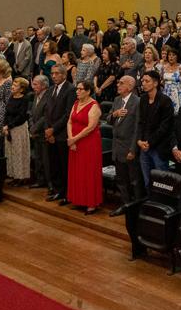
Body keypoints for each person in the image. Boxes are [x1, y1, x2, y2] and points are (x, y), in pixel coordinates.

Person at [67, 80, 103, 215]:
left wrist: (74, 139)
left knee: (88, 171)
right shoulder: (76, 103)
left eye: (81, 89)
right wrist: (71, 139)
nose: (77, 91)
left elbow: (91, 127)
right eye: (77, 89)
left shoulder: (94, 105)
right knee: (77, 171)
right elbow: (69, 121)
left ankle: (91, 203)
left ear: (88, 91)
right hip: (75, 142)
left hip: (89, 143)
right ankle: (78, 199)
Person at [108, 75, 141, 215]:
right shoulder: (116, 100)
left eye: (121, 83)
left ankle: (138, 207)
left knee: (134, 180)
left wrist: (133, 149)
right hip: (117, 146)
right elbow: (108, 119)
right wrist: (114, 114)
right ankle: (126, 204)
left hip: (129, 147)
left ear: (129, 86)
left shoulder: (137, 102)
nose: (118, 85)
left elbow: (137, 128)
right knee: (121, 179)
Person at [136, 70, 175, 187]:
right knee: (148, 181)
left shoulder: (165, 101)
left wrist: (150, 142)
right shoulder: (142, 99)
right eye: (142, 81)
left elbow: (165, 127)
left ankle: (162, 205)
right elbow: (140, 122)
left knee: (162, 183)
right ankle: (150, 202)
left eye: (147, 81)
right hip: (144, 146)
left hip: (159, 147)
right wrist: (139, 140)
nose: (143, 83)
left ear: (155, 83)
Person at [44, 65, 76, 204]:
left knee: (64, 166)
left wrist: (54, 129)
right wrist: (48, 130)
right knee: (54, 164)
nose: (54, 76)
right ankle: (57, 191)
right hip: (51, 134)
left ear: (64, 75)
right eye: (52, 73)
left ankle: (66, 194)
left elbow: (67, 114)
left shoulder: (70, 89)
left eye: (57, 73)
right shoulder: (51, 89)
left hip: (62, 134)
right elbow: (47, 112)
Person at [2, 77, 31, 186]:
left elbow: (21, 116)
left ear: (22, 89)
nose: (12, 86)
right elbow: (7, 112)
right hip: (8, 128)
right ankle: (14, 175)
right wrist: (5, 125)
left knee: (19, 153)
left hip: (18, 128)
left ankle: (21, 177)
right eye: (13, 84)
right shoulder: (11, 97)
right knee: (11, 153)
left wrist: (9, 126)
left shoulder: (25, 99)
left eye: (15, 85)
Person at [28, 74, 49, 190]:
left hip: (43, 132)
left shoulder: (48, 96)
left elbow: (45, 116)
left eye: (35, 84)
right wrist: (31, 126)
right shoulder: (36, 96)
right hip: (35, 132)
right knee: (38, 158)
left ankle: (49, 182)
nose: (33, 86)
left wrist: (35, 128)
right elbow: (31, 113)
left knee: (46, 159)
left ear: (43, 85)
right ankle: (40, 180)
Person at [158, 46, 181, 113]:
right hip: (166, 93)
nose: (171, 57)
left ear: (177, 56)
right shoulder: (164, 67)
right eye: (169, 55)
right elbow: (162, 81)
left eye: (173, 55)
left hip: (178, 93)